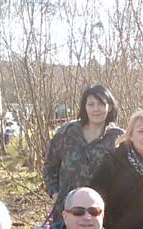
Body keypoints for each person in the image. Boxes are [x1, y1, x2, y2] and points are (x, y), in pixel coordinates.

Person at [43, 84, 123, 221]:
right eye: (91, 104)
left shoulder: (118, 138)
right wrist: (56, 194)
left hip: (101, 215)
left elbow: (125, 178)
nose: (96, 109)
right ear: (84, 107)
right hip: (66, 212)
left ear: (109, 107)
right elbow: (50, 167)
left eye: (101, 104)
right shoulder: (67, 133)